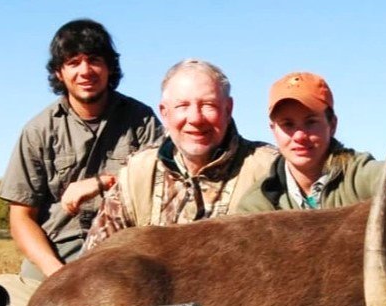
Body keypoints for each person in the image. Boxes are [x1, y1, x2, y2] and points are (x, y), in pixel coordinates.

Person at [0, 19, 161, 306]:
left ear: (110, 68)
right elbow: (21, 218)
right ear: (60, 72)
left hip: (124, 255)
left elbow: (165, 185)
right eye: (73, 62)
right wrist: (57, 274)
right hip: (56, 256)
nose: (85, 71)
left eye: (94, 60)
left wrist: (100, 183)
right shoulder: (38, 130)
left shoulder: (142, 120)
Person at [83, 59, 276, 248]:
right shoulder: (136, 174)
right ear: (164, 113)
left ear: (228, 109)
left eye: (208, 105)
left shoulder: (270, 170)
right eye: (182, 106)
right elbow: (94, 263)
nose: (195, 118)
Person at [236, 71, 386, 213]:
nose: (299, 136)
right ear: (273, 130)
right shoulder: (258, 204)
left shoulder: (358, 174)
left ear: (332, 124)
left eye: (311, 122)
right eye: (287, 124)